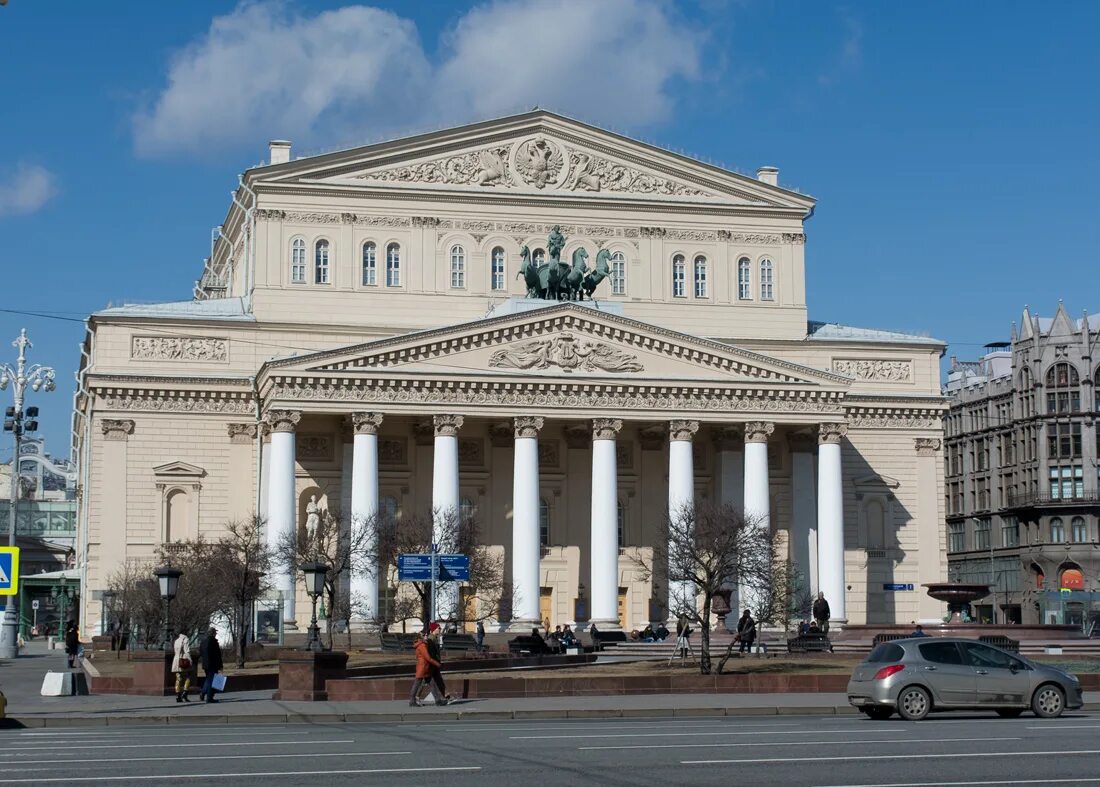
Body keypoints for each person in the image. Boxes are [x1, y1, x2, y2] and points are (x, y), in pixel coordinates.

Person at [410, 633, 446, 707]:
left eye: (426, 635)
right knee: (417, 684)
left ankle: (438, 700)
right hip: (423, 667)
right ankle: (412, 701)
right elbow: (428, 658)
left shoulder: (423, 644)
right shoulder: (422, 646)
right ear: (421, 637)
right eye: (424, 635)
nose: (426, 636)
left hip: (425, 667)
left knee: (432, 684)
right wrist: (437, 664)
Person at [425, 623, 452, 701]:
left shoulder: (434, 638)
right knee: (423, 681)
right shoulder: (431, 639)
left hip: (435, 662)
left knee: (438, 680)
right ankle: (416, 697)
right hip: (432, 663)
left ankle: (447, 696)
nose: (440, 629)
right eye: (438, 628)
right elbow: (431, 652)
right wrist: (435, 662)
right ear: (434, 629)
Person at [199, 627, 223, 703]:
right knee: (211, 681)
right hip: (213, 664)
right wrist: (220, 665)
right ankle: (209, 698)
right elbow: (217, 655)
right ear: (212, 633)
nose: (216, 634)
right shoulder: (214, 642)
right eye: (215, 632)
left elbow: (201, 652)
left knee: (208, 679)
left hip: (205, 664)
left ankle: (203, 693)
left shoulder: (203, 642)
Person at [171, 631, 193, 703]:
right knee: (188, 677)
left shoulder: (176, 640)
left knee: (178, 678)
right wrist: (190, 660)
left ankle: (178, 695)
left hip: (176, 660)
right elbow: (187, 651)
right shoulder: (186, 640)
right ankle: (185, 693)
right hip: (184, 660)